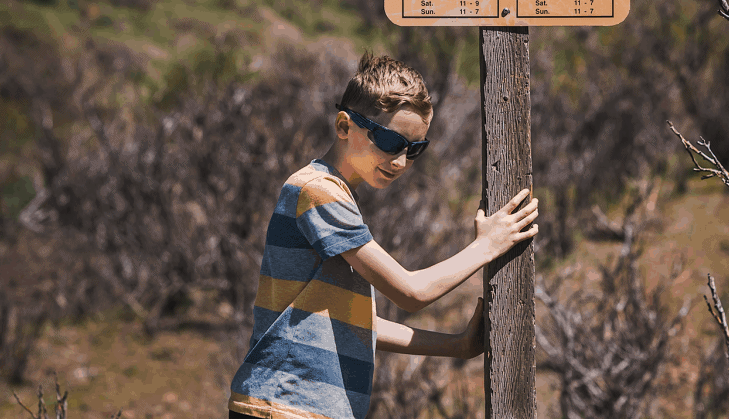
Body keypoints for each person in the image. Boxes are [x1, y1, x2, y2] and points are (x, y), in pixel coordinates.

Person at [227, 52, 540, 419]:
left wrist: (456, 346)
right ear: (344, 126)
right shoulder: (317, 190)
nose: (401, 162)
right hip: (284, 405)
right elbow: (410, 292)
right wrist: (486, 246)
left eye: (415, 150)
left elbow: (352, 321)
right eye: (391, 142)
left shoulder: (336, 194)